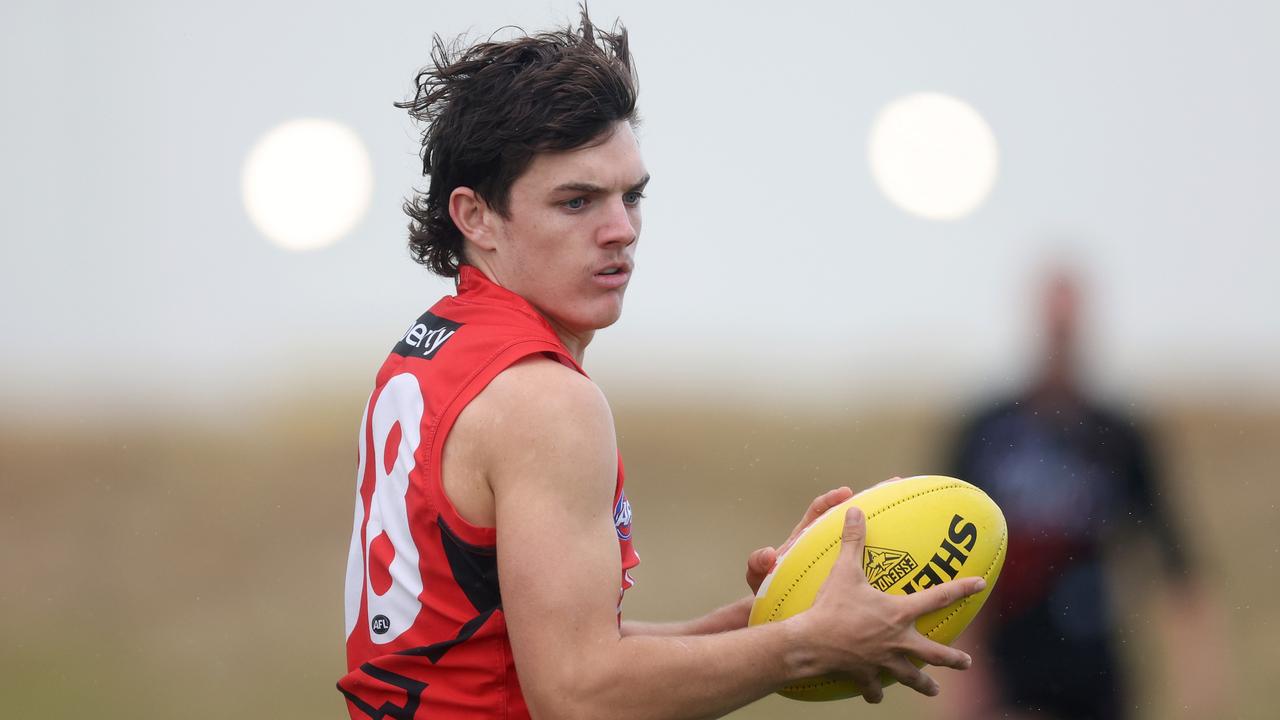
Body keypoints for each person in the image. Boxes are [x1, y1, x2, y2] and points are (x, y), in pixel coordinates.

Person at [339, 9, 985, 719]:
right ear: (476, 217)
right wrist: (800, 647)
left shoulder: (435, 350)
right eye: (576, 201)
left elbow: (533, 650)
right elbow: (581, 694)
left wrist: (782, 616)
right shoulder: (542, 399)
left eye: (631, 195)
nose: (621, 230)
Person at [945, 269, 1226, 720]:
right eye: (1054, 325)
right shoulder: (988, 431)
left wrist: (1200, 682)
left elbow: (1175, 560)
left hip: (1095, 671)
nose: (1062, 337)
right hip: (1007, 667)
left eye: (1070, 325)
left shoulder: (1117, 434)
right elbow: (948, 560)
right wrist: (959, 680)